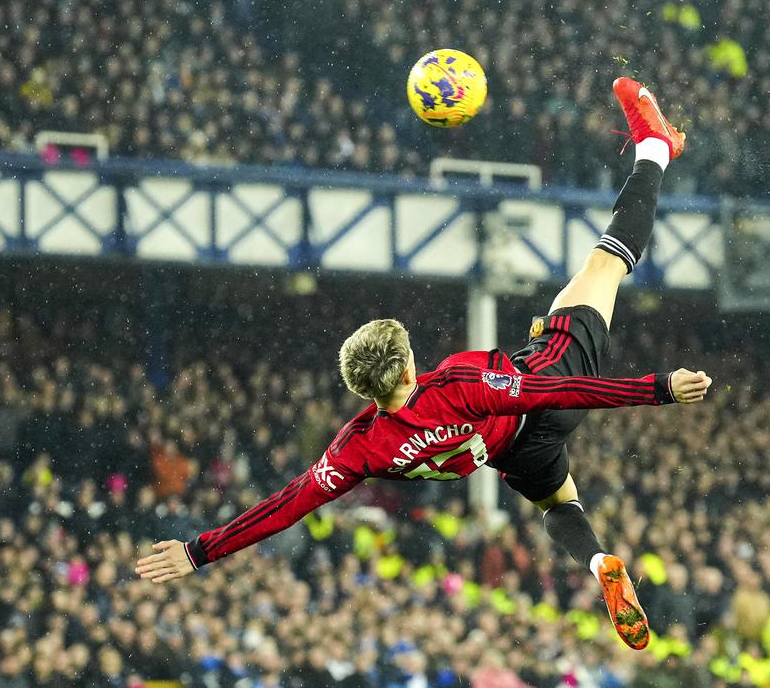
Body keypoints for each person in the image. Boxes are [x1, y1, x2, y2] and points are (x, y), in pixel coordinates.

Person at [136, 77, 709, 650]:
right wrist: (658, 388)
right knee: (604, 266)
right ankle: (654, 148)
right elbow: (548, 395)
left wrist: (198, 551)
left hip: (512, 454)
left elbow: (284, 507)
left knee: (559, 503)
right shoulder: (457, 382)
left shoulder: (358, 447)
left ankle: (597, 561)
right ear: (409, 368)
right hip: (545, 390)